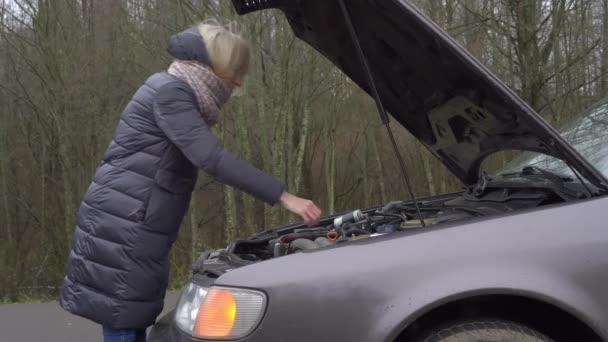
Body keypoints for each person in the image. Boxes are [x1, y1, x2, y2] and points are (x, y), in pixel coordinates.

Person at [58, 20, 322, 342]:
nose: (239, 81)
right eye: (236, 71)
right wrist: (284, 196)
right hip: (125, 224)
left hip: (131, 221)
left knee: (129, 318)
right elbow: (211, 158)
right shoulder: (171, 93)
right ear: (217, 66)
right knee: (124, 323)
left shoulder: (173, 88)